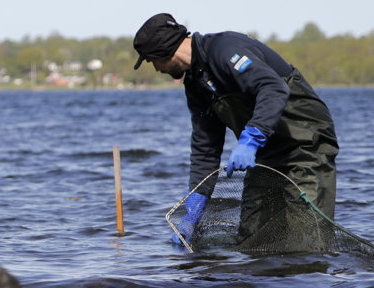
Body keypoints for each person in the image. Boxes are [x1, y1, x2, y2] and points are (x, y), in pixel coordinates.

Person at [132, 13, 339, 247]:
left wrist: (250, 140)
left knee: (307, 242)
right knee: (253, 242)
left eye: (151, 61)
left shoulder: (225, 49)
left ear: (163, 51)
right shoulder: (196, 85)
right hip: (265, 157)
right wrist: (194, 208)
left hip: (305, 146)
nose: (156, 68)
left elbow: (273, 88)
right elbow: (205, 148)